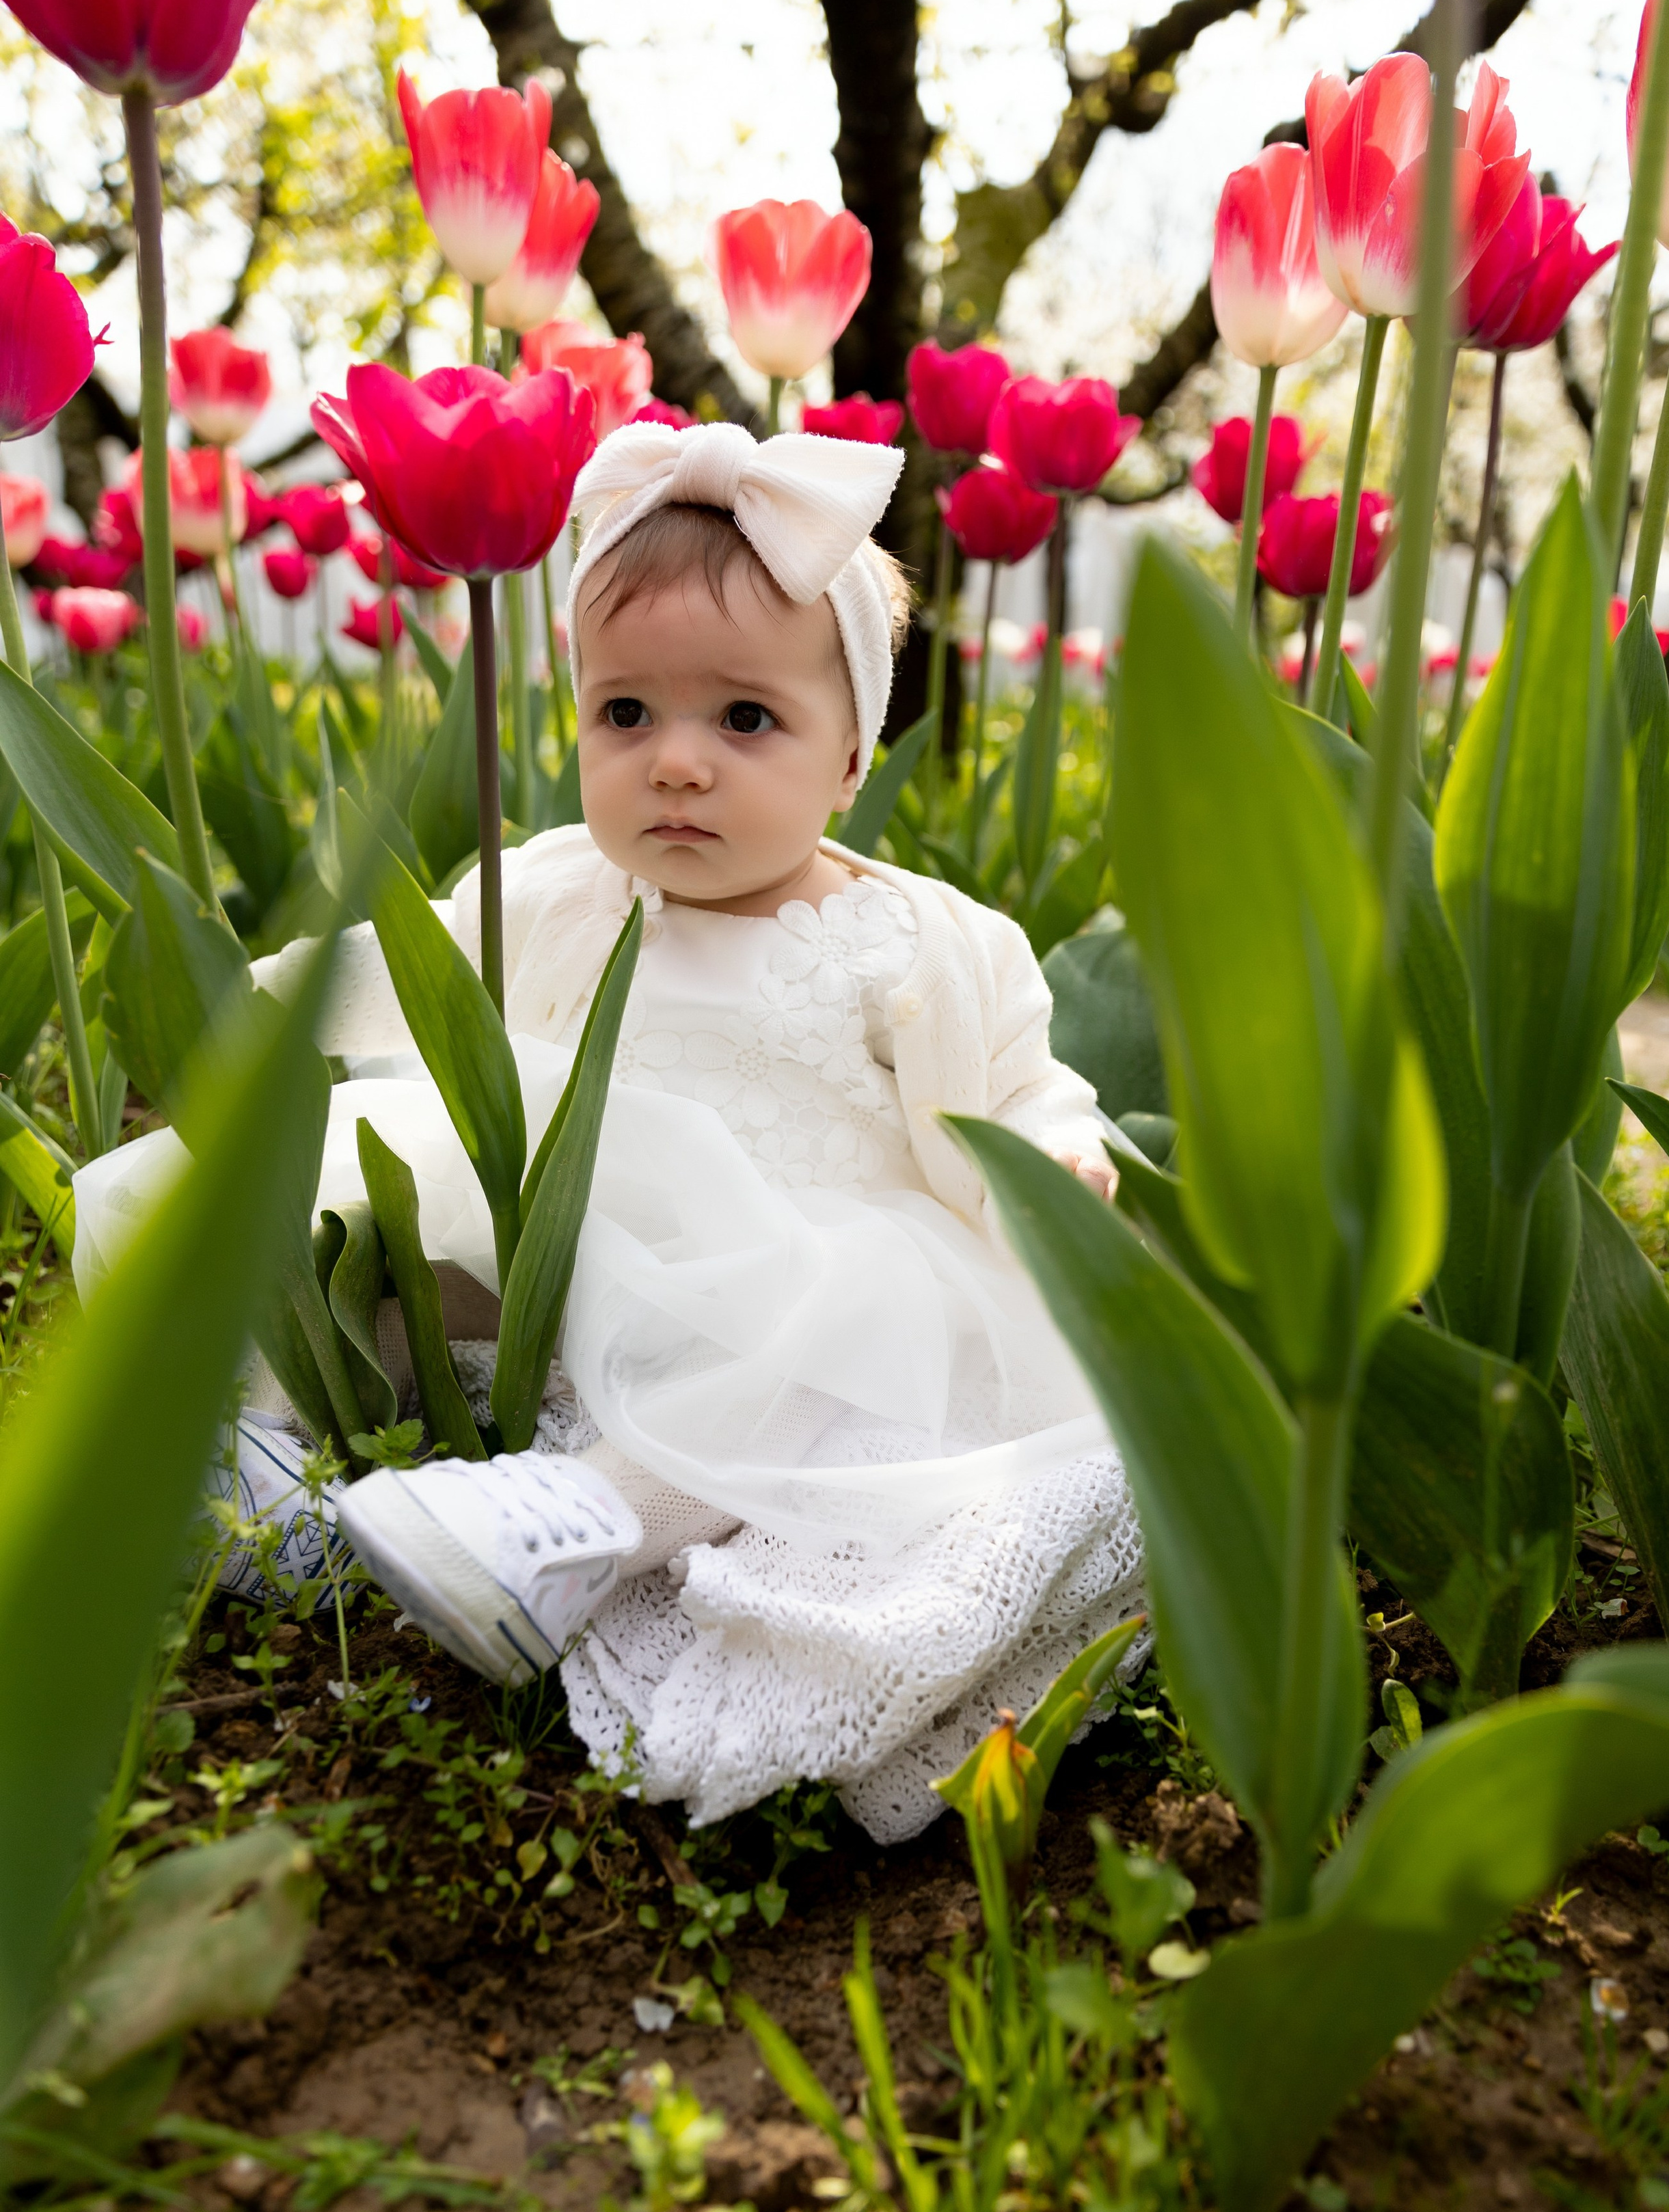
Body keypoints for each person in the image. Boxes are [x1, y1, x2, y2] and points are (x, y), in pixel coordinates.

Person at [81, 422, 1145, 1840]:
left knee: (824, 1368)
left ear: (848, 759)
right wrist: (249, 1007)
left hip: (811, 1284)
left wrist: (1048, 1167)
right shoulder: (566, 891)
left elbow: (1011, 1087)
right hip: (575, 1253)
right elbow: (418, 967)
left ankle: (573, 1521)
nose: (675, 767)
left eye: (743, 721)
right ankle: (294, 1466)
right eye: (625, 715)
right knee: (389, 1259)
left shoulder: (911, 939)